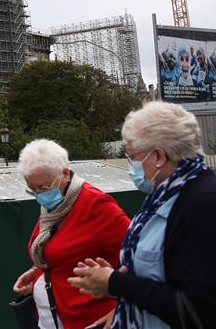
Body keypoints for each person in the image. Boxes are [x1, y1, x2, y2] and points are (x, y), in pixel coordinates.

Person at [68, 102, 216, 329]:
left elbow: (194, 310)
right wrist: (115, 278)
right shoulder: (166, 195)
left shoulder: (205, 204)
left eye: (132, 157)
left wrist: (116, 283)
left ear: (158, 155)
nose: (132, 167)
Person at [13, 139, 131, 329]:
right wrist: (40, 270)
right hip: (53, 318)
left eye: (43, 188)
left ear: (65, 174)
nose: (39, 195)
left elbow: (139, 257)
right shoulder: (56, 206)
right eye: (32, 190)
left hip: (89, 320)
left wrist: (122, 307)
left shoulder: (96, 205)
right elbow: (65, 249)